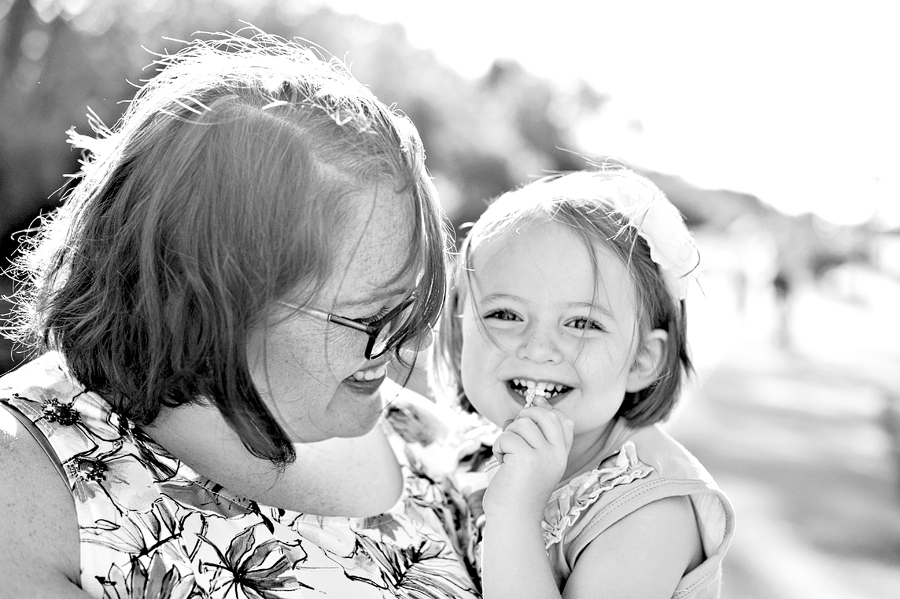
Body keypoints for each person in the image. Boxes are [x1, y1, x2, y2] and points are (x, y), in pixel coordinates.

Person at [0, 29, 480, 598]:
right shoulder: (25, 476)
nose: (410, 347)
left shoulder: (426, 440)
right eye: (373, 319)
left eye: (418, 303)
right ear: (213, 298)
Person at [431, 168, 735, 598]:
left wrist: (515, 513)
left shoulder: (648, 513)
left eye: (582, 323)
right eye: (505, 314)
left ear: (642, 360)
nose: (538, 349)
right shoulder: (469, 451)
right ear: (462, 331)